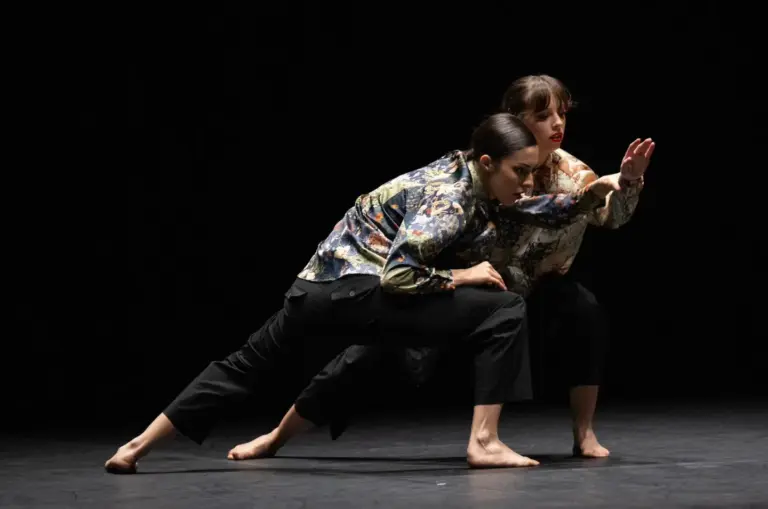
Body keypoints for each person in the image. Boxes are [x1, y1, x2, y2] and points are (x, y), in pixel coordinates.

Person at [105, 113, 623, 474]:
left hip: (311, 291)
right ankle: (484, 442)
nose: (529, 183)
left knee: (244, 364)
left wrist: (594, 193)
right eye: (521, 172)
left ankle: (136, 446)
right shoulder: (447, 198)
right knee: (504, 309)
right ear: (487, 161)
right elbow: (399, 276)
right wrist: (461, 278)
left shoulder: (467, 178)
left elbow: (527, 209)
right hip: (359, 288)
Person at [224, 75, 655, 463]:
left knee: (585, 312)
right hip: (475, 287)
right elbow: (519, 209)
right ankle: (277, 436)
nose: (557, 124)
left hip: (538, 289)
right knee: (367, 356)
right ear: (515, 121)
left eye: (562, 113)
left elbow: (609, 215)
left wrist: (625, 184)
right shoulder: (492, 166)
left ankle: (581, 435)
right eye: (543, 116)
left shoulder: (571, 172)